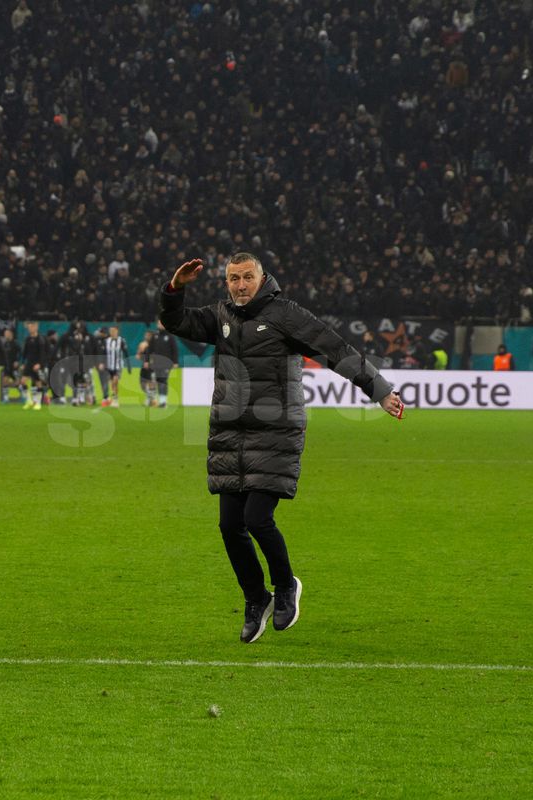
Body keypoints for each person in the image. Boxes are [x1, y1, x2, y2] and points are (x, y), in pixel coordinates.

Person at [159, 254, 404, 644]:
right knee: (228, 525)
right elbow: (174, 321)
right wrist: (175, 288)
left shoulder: (285, 314)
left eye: (247, 278)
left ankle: (286, 585)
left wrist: (379, 390)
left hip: (275, 430)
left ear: (262, 278)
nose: (240, 285)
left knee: (257, 518)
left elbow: (334, 349)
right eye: (233, 279)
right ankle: (257, 599)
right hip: (229, 432)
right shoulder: (220, 316)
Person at [149, 320, 179, 407]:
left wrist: (175, 362)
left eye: (162, 323)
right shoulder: (155, 336)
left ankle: (163, 402)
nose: (160, 325)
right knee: (156, 381)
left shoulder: (170, 336)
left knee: (163, 380)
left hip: (166, 363)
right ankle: (155, 400)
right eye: (159, 323)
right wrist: (147, 360)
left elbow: (175, 350)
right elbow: (149, 349)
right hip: (156, 363)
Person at [20, 321, 48, 410]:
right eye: (29, 327)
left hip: (38, 364)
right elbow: (24, 353)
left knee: (38, 383)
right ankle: (29, 401)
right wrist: (22, 363)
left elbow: (44, 354)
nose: (30, 328)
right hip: (29, 363)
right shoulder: (27, 339)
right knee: (23, 381)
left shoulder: (41, 339)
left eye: (32, 326)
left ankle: (38, 403)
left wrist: (40, 364)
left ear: (36, 327)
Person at [102, 325, 130, 407]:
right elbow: (104, 353)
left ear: (117, 331)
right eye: (111, 331)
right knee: (112, 383)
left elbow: (126, 353)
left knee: (115, 381)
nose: (112, 332)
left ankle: (115, 398)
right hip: (109, 366)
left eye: (113, 330)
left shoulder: (121, 341)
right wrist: (103, 363)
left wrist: (129, 366)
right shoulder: (107, 341)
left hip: (118, 365)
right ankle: (114, 398)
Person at [0, 327, 23, 404]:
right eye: (5, 334)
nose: (5, 335)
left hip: (14, 367)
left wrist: (18, 361)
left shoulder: (16, 343)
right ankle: (6, 398)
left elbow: (22, 353)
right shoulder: (5, 343)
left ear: (11, 334)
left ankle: (24, 396)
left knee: (17, 382)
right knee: (5, 381)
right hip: (7, 366)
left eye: (7, 333)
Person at [137, 330, 156, 406]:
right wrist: (140, 352)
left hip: (153, 366)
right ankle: (151, 398)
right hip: (144, 366)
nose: (147, 336)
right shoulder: (142, 344)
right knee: (142, 384)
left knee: (151, 382)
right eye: (146, 335)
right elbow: (138, 356)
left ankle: (151, 400)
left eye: (148, 335)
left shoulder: (155, 345)